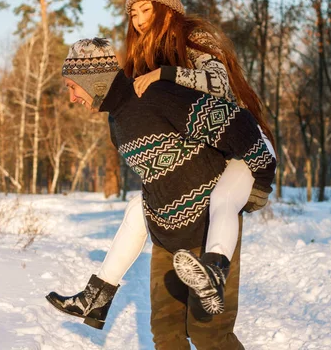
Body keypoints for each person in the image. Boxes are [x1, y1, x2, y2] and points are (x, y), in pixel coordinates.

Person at [45, 37, 275, 349]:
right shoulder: (117, 122)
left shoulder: (157, 96)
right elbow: (154, 175)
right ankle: (96, 297)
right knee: (166, 336)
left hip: (208, 232)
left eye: (73, 87)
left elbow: (239, 125)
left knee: (209, 336)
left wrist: (261, 180)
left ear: (93, 79)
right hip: (165, 239)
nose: (71, 97)